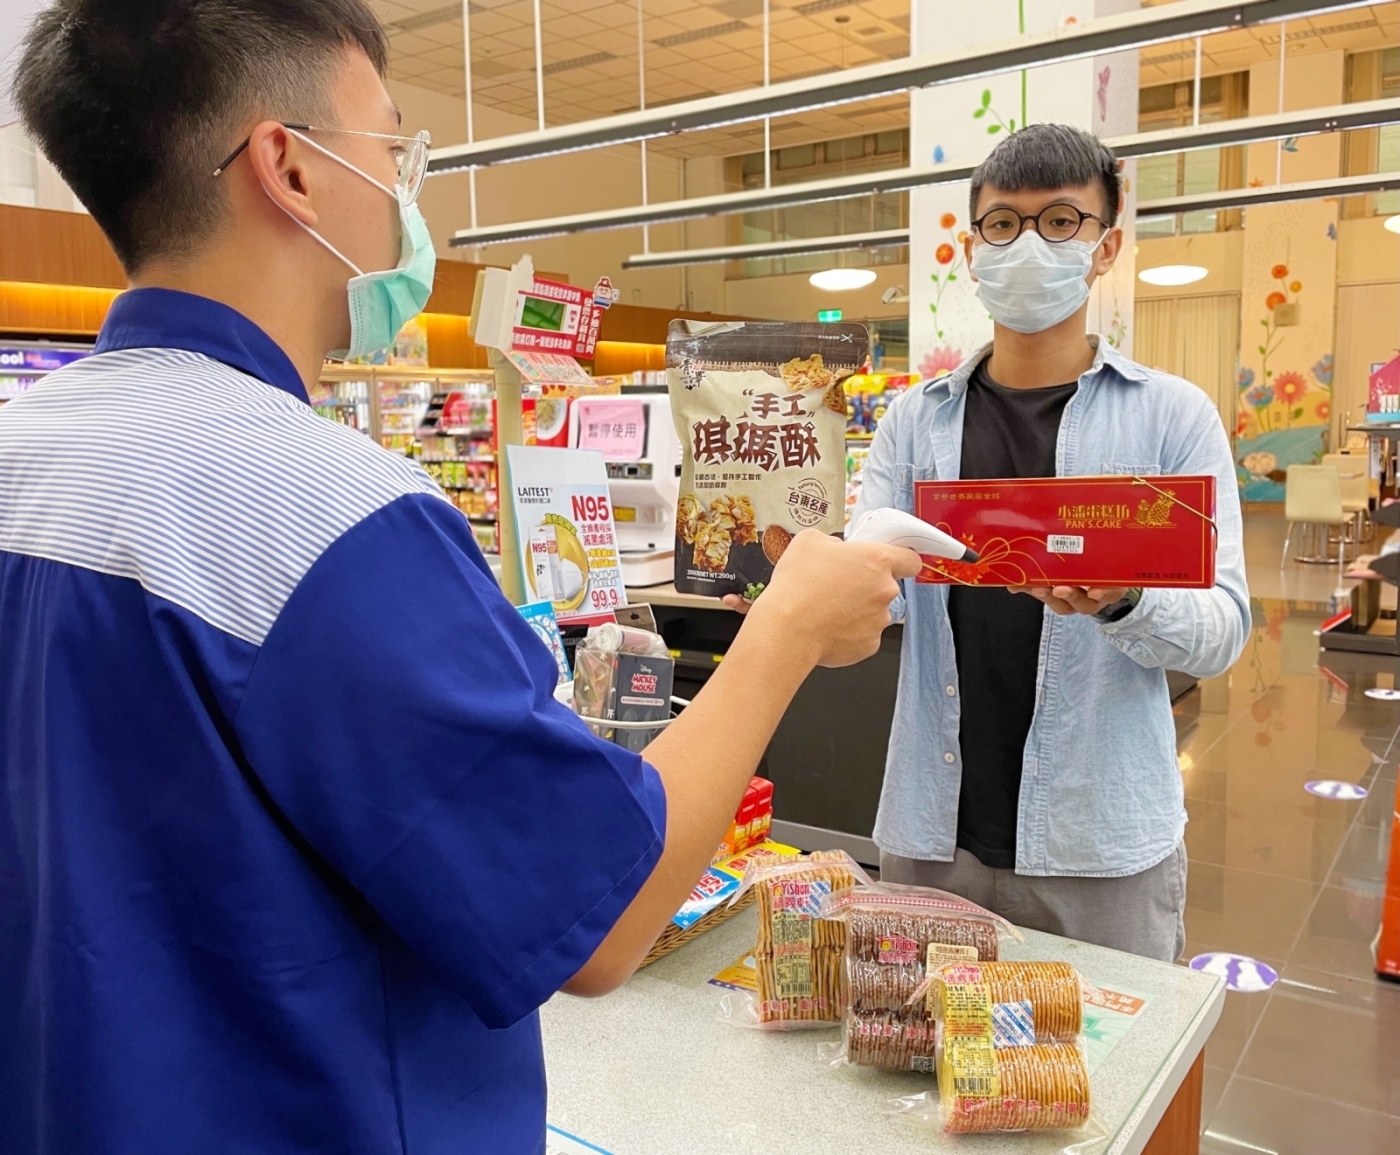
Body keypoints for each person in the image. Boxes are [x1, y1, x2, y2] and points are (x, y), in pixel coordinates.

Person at [0, 4, 919, 1153]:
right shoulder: (330, 511)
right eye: (393, 150)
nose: (403, 195)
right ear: (290, 167)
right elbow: (599, 917)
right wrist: (783, 628)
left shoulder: (26, 452)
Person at [851, 125, 1250, 962]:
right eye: (1004, 224)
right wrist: (810, 583)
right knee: (908, 1077)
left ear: (1105, 248)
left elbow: (1222, 629)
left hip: (1099, 849)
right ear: (973, 247)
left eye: (1061, 221)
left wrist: (1128, 597)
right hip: (931, 838)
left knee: (1107, 1085)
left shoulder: (1173, 417)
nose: (1029, 244)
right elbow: (870, 613)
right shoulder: (913, 423)